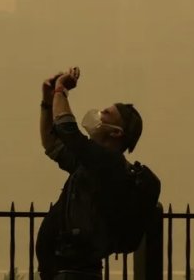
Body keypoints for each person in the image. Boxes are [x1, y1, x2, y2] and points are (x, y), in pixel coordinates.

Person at [36, 67, 144, 280]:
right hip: (62, 271)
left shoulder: (109, 163)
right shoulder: (92, 163)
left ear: (116, 132)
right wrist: (47, 103)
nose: (98, 114)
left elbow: (67, 130)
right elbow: (52, 144)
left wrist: (60, 91)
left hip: (77, 273)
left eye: (106, 113)